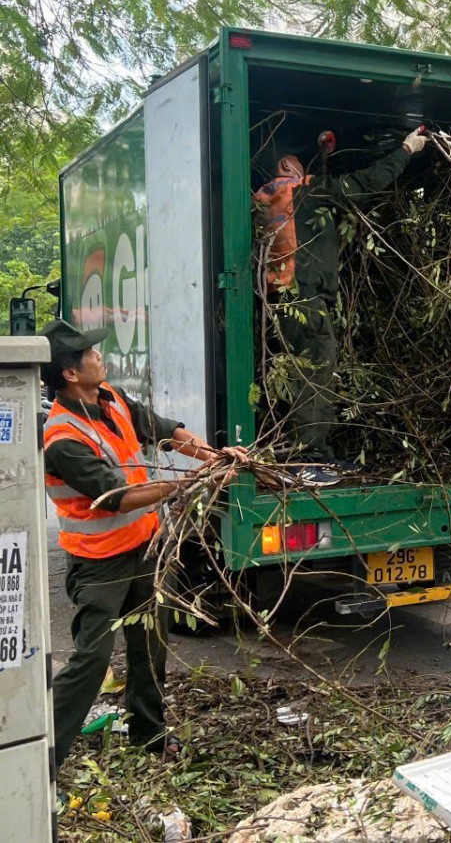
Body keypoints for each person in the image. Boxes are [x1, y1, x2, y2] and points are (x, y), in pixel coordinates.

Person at [41, 319, 248, 772]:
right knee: (92, 660)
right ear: (70, 373)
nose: (100, 356)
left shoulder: (110, 398)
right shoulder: (62, 438)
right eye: (90, 354)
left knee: (150, 646)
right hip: (99, 564)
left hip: (145, 549)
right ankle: (44, 761)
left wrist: (214, 457)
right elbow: (117, 497)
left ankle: (149, 738)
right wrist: (190, 483)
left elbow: (162, 428)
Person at [253, 128, 427, 483]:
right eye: (298, 162)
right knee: (318, 372)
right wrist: (407, 149)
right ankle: (306, 458)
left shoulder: (265, 201)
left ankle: (307, 452)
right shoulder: (304, 190)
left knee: (304, 373)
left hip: (283, 300)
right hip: (305, 298)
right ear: (289, 165)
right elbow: (366, 183)